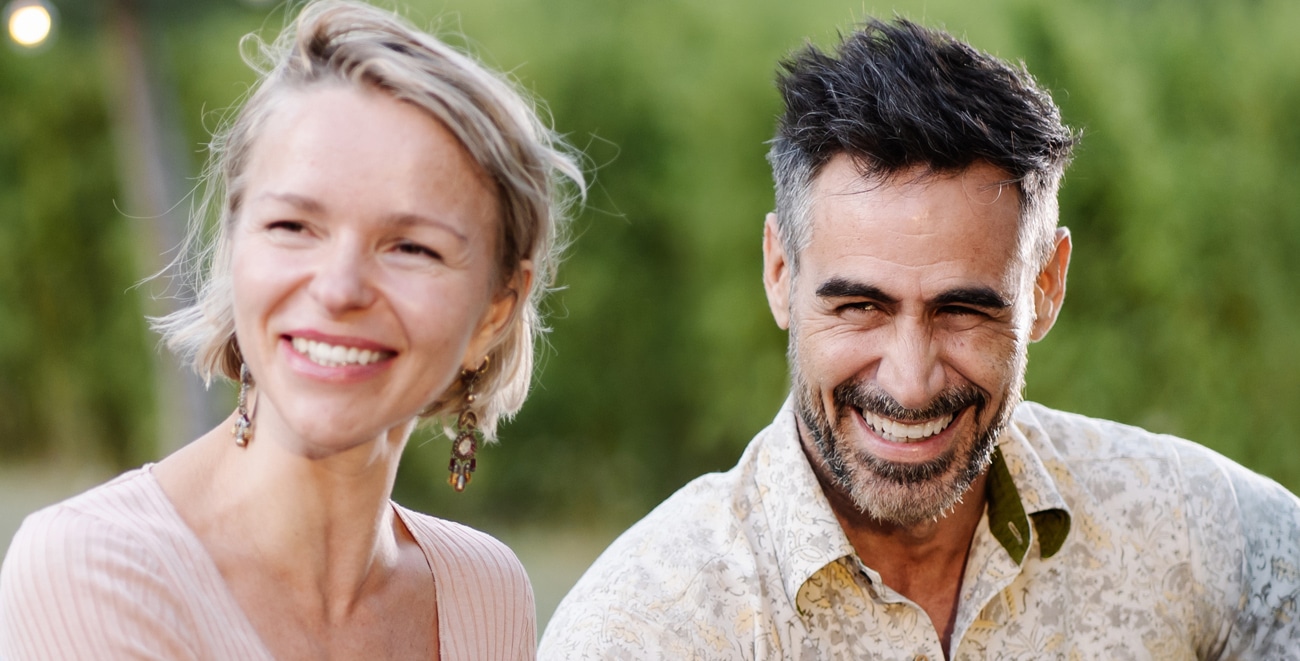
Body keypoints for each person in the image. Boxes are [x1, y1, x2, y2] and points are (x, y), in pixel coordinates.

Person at [540, 18, 1300, 660]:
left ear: (1047, 285)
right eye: (861, 307)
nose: (910, 381)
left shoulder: (1179, 523)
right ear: (780, 271)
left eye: (962, 311)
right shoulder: (646, 626)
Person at [0, 1, 582, 658]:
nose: (338, 289)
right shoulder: (93, 570)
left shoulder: (486, 590)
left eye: (411, 247)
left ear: (495, 313)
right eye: (293, 226)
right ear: (234, 250)